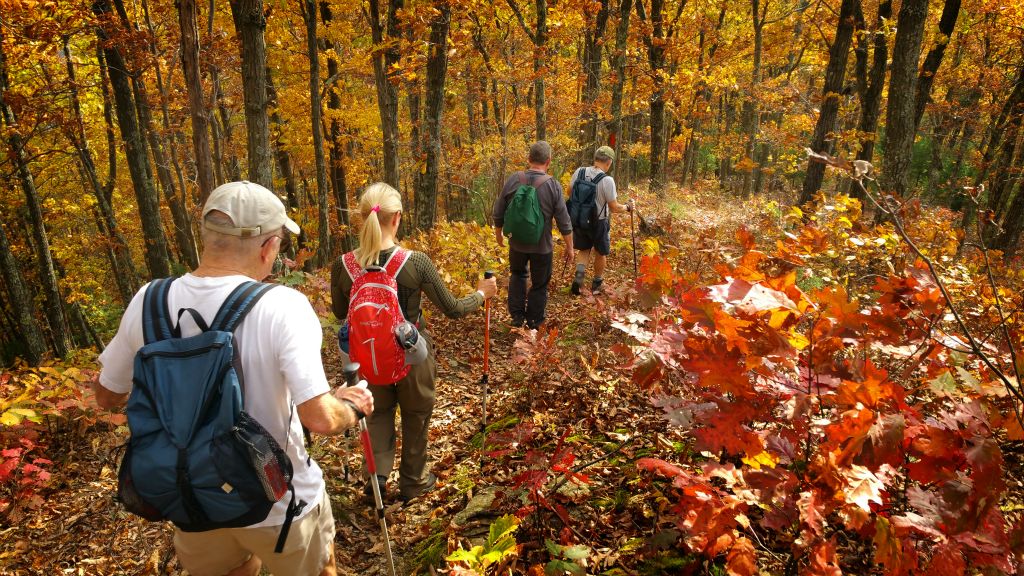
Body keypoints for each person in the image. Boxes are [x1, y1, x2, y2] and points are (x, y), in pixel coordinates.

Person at [94, 180, 374, 576]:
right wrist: (352, 404)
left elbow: (106, 396)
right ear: (268, 247)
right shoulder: (283, 306)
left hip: (194, 501)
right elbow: (320, 418)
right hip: (281, 502)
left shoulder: (149, 301)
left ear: (207, 238)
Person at [330, 183, 497, 503]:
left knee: (375, 415)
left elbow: (340, 312)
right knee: (416, 415)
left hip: (366, 358)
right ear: (397, 219)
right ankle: (413, 482)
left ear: (363, 218)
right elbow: (452, 309)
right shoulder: (415, 262)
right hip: (413, 356)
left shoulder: (343, 266)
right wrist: (481, 294)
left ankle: (377, 481)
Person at [492, 141, 574, 329]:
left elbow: (499, 209)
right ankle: (535, 321)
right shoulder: (553, 185)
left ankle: (517, 317)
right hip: (542, 246)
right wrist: (569, 247)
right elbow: (564, 220)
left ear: (529, 159)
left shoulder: (514, 179)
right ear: (548, 161)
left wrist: (499, 234)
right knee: (539, 284)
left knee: (518, 275)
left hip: (517, 242)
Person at [569, 145, 633, 295]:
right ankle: (597, 284)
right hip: (599, 221)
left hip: (580, 218)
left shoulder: (580, 171)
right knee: (600, 252)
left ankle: (578, 280)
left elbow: (570, 192)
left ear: (595, 158)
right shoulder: (607, 180)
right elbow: (614, 207)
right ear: (609, 162)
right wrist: (627, 207)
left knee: (584, 249)